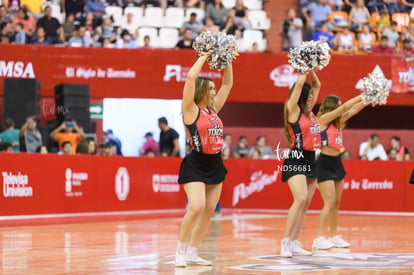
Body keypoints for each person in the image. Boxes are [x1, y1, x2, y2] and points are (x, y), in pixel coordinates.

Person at [174, 51, 233, 267]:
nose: (214, 92)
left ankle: (192, 252)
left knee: (209, 210)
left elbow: (228, 84)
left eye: (214, 89)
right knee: (196, 207)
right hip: (196, 163)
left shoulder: (213, 108)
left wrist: (227, 60)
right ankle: (180, 251)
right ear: (201, 91)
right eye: (210, 89)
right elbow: (190, 78)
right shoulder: (190, 110)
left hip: (215, 162)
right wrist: (205, 56)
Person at [313, 94, 365, 250]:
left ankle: (334, 236)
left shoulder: (338, 122)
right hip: (324, 162)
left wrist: (369, 99)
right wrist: (360, 95)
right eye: (338, 105)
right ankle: (318, 238)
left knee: (336, 203)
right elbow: (345, 108)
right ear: (331, 106)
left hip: (337, 163)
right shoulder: (322, 119)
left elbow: (354, 110)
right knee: (328, 202)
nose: (341, 107)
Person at [280, 71, 321, 257]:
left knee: (305, 204)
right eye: (309, 93)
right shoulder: (293, 109)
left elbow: (317, 84)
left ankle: (295, 242)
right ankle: (285, 242)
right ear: (302, 95)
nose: (312, 95)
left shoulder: (310, 112)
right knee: (300, 199)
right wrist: (303, 69)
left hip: (312, 158)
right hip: (296, 157)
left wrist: (312, 67)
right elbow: (298, 86)